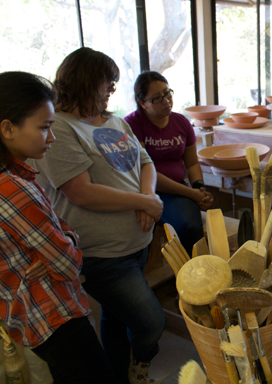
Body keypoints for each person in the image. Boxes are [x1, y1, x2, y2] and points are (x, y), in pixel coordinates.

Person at [29, 48, 166, 384]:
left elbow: (146, 162)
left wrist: (147, 199)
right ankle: (139, 368)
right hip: (101, 252)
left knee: (116, 319)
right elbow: (81, 192)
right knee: (152, 322)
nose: (112, 91)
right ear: (85, 83)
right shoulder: (58, 128)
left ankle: (119, 375)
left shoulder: (116, 120)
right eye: (108, 83)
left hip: (136, 241)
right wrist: (144, 202)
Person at [0, 71, 117, 383]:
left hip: (32, 316)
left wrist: (64, 238)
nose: (51, 137)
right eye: (44, 128)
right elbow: (66, 264)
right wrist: (68, 247)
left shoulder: (19, 175)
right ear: (8, 128)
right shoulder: (12, 188)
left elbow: (61, 230)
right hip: (53, 316)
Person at [124, 71, 213, 254]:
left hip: (179, 190)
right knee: (142, 234)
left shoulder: (181, 122)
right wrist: (191, 193)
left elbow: (192, 164)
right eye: (157, 98)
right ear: (142, 103)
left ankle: (196, 275)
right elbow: (146, 171)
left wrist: (199, 187)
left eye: (167, 93)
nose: (166, 101)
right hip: (145, 190)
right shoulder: (132, 124)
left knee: (189, 226)